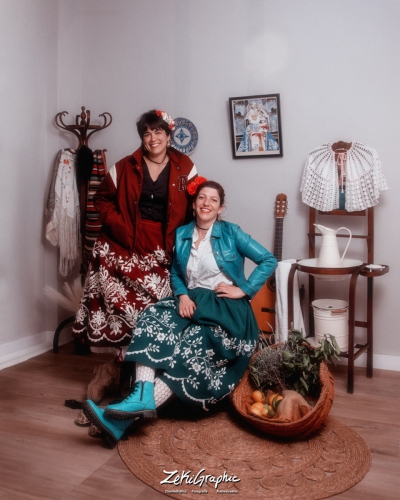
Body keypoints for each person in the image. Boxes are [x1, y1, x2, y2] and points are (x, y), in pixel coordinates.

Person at [82, 179, 278, 448]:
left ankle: (121, 420)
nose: (206, 203)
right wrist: (183, 294)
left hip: (226, 309)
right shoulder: (183, 233)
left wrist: (242, 289)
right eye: (201, 198)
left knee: (192, 345)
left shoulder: (232, 233)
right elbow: (176, 271)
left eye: (213, 200)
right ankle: (140, 397)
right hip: (193, 300)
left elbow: (269, 259)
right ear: (195, 203)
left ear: (221, 208)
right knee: (151, 318)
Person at [72, 109, 198, 352]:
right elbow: (100, 200)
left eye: (158, 131)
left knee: (157, 306)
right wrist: (120, 226)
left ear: (169, 134)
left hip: (164, 244)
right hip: (124, 242)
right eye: (147, 133)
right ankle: (123, 366)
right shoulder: (124, 166)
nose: (153, 138)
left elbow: (195, 206)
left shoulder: (186, 166)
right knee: (123, 307)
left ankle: (151, 366)